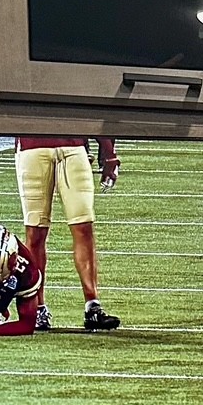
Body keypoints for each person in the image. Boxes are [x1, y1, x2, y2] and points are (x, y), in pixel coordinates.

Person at [14, 136, 120, 331]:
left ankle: (93, 306)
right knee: (35, 233)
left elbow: (93, 108)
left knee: (83, 227)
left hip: (73, 146)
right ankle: (37, 307)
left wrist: (109, 152)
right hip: (32, 145)